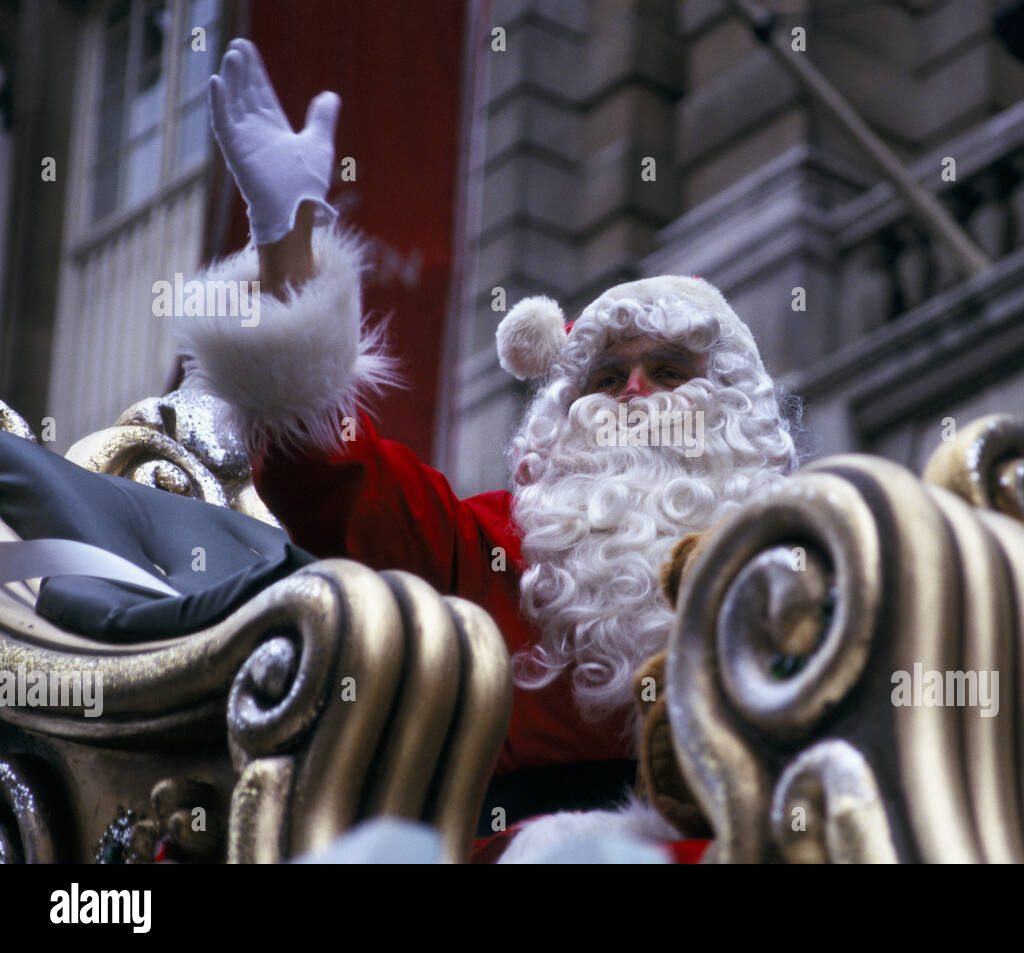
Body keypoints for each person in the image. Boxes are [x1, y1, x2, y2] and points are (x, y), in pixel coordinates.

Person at [174, 39, 799, 852]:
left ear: (732, 409)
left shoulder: (802, 565)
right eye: (606, 377)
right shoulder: (496, 543)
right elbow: (330, 472)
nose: (635, 391)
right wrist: (286, 244)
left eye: (669, 369)